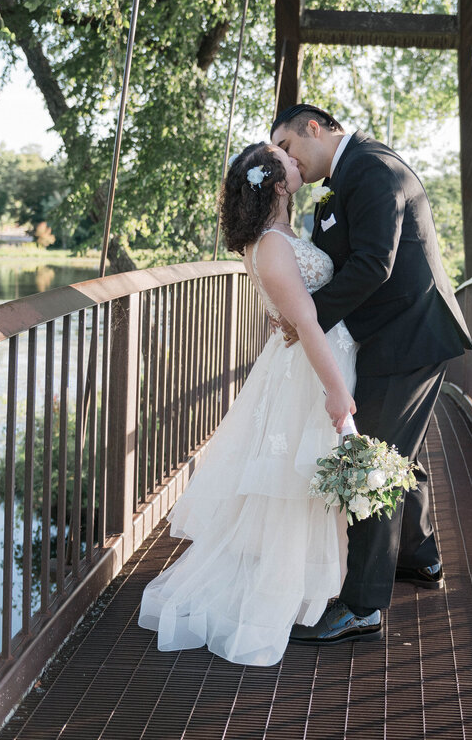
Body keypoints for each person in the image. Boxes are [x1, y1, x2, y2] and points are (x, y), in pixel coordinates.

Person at [137, 141, 358, 666]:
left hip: (314, 360)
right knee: (293, 482)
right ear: (278, 184)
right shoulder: (272, 245)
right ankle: (280, 595)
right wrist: (336, 392)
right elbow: (304, 321)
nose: (295, 159)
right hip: (311, 372)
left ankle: (308, 585)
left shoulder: (278, 237)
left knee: (301, 480)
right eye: (285, 160)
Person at [270, 104, 472, 645]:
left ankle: (362, 604)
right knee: (395, 453)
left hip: (407, 339)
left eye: (287, 148)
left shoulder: (372, 169)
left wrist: (306, 318)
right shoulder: (348, 177)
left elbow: (374, 263)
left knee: (370, 464)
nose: (287, 161)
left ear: (314, 128)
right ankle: (420, 558)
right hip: (392, 338)